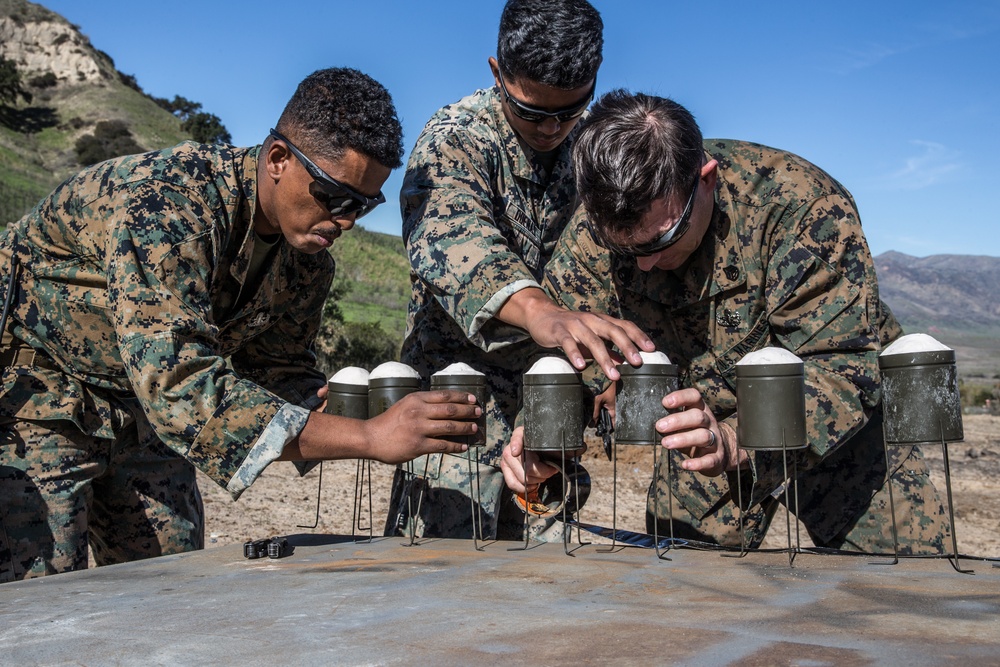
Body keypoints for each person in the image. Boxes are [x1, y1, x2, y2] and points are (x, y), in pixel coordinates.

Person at [0, 67, 481, 582]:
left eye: (363, 206)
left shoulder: (308, 264)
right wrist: (368, 437)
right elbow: (181, 385)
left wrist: (339, 406)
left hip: (143, 416)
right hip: (43, 397)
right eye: (336, 197)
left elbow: (276, 367)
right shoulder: (167, 205)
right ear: (278, 159)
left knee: (169, 584)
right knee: (38, 596)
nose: (346, 222)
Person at [502, 90, 950, 554]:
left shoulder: (801, 209)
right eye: (623, 249)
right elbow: (566, 361)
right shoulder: (594, 234)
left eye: (661, 240)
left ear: (706, 179)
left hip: (835, 436)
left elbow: (844, 369)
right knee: (682, 590)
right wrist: (538, 434)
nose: (644, 267)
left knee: (910, 588)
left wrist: (737, 443)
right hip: (699, 444)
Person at [391, 0, 652, 541]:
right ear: (497, 73)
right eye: (532, 112)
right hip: (456, 409)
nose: (552, 128)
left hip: (552, 404)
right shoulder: (453, 139)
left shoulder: (594, 150)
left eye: (572, 109)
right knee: (438, 582)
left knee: (545, 589)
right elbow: (454, 242)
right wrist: (542, 312)